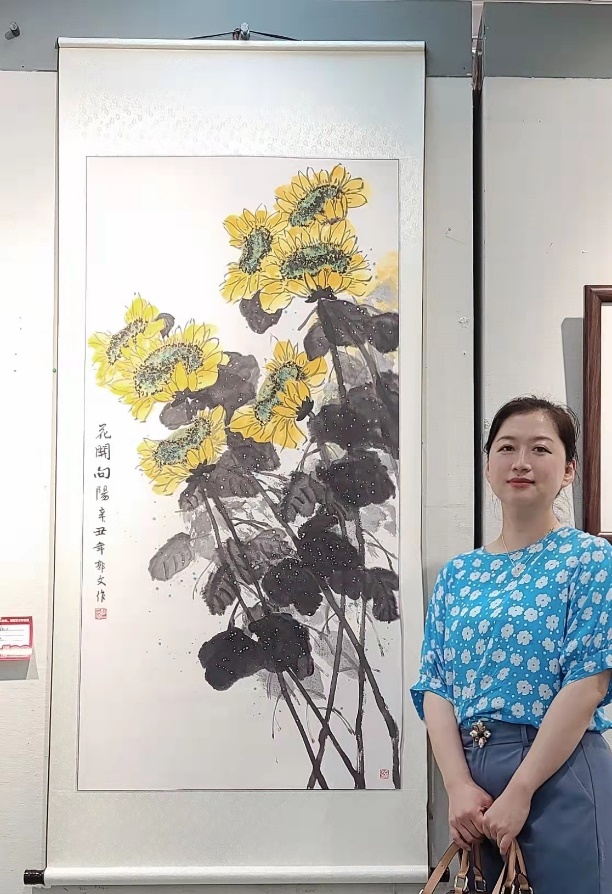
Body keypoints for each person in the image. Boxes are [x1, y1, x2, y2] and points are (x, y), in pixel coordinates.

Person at [411, 396, 612, 893]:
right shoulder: (458, 574)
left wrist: (521, 789)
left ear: (568, 470)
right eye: (506, 447)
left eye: (540, 449)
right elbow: (435, 685)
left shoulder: (589, 558)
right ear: (487, 466)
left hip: (558, 772)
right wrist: (457, 785)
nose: (521, 461)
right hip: (473, 787)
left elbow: (588, 682)